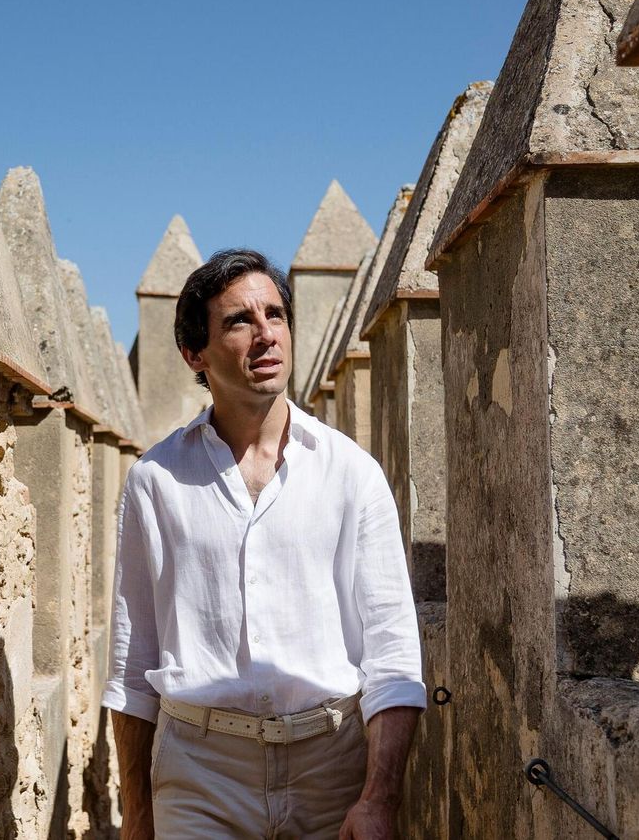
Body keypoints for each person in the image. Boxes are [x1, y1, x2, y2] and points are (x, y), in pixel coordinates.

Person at [103, 248, 425, 839]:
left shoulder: (352, 473)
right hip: (201, 774)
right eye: (238, 321)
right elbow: (133, 662)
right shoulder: (155, 480)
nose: (265, 335)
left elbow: (392, 653)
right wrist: (137, 816)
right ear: (193, 353)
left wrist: (380, 797)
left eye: (275, 315)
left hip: (332, 768)